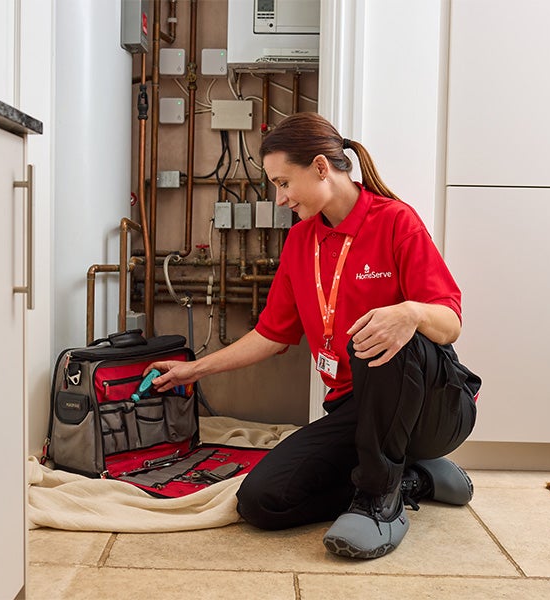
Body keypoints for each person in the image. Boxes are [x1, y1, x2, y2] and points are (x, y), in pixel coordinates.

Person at [146, 112, 481, 559]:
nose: (280, 198)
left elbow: (450, 322)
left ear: (321, 167)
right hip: (357, 409)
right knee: (262, 501)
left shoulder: (396, 221)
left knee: (377, 330)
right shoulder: (301, 242)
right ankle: (412, 479)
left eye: (284, 183)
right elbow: (271, 335)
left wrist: (410, 312)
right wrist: (195, 369)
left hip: (433, 408)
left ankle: (381, 504)